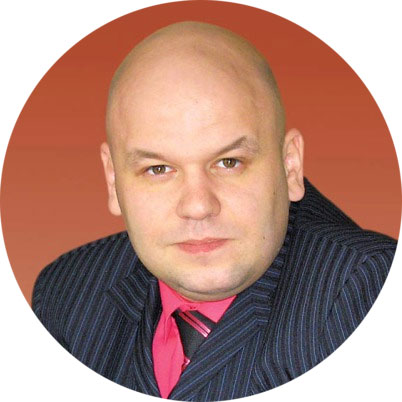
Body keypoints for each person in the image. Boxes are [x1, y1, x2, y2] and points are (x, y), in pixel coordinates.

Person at [32, 21, 397, 400]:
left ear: (290, 166)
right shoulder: (66, 295)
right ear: (112, 180)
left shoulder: (366, 291)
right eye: (158, 169)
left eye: (229, 162)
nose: (198, 206)